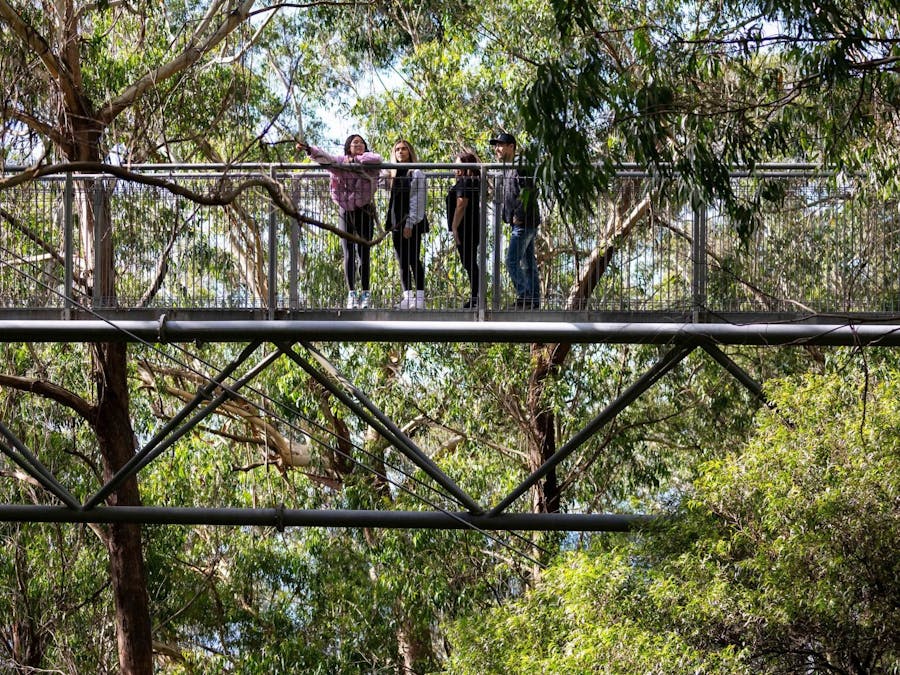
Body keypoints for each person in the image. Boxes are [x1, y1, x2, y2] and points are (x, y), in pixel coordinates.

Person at [298, 135, 382, 309]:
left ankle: (365, 293)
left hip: (364, 210)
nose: (358, 144)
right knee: (349, 253)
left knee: (363, 253)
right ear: (348, 147)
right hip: (345, 210)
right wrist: (309, 149)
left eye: (361, 142)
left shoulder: (370, 162)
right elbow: (325, 158)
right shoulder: (340, 163)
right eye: (354, 142)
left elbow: (377, 158)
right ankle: (352, 294)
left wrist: (356, 160)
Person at [489, 132, 541, 309]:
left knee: (511, 261)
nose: (497, 149)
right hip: (522, 223)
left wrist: (518, 215)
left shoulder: (520, 165)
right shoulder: (509, 168)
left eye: (501, 145)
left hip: (524, 223)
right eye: (496, 146)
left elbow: (530, 192)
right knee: (528, 264)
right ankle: (533, 301)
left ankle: (525, 295)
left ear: (511, 147)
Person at [382, 139, 428, 309]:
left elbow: (418, 199)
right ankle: (407, 297)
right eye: (397, 149)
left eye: (404, 149)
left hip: (411, 222)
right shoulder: (394, 174)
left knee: (413, 259)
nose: (400, 152)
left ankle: (420, 299)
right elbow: (378, 182)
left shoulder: (415, 172)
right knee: (402, 260)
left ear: (410, 152)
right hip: (395, 222)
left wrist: (410, 223)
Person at [445, 150, 481, 308]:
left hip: (465, 228)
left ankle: (476, 298)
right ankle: (475, 296)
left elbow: (461, 203)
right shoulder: (471, 181)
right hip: (470, 227)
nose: (456, 169)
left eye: (459, 165)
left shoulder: (465, 181)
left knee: (469, 263)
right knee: (469, 262)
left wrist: (454, 227)